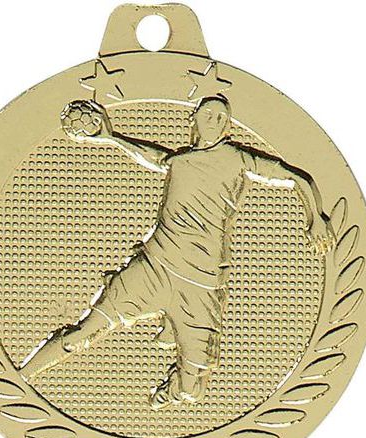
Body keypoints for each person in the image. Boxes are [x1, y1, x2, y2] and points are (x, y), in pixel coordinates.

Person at [19, 95, 335, 410]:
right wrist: (111, 137)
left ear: (227, 126)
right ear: (193, 120)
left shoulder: (239, 159)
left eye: (221, 117)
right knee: (82, 334)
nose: (214, 121)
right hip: (155, 267)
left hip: (200, 284)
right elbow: (154, 156)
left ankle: (175, 387)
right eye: (208, 114)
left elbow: (297, 178)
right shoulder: (180, 161)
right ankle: (20, 377)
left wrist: (316, 218)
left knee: (192, 390)